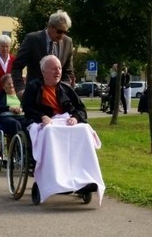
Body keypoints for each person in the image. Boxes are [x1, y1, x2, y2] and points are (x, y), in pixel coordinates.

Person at [22, 55, 104, 204]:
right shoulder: (34, 87)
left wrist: (76, 118)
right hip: (44, 123)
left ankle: (86, 178)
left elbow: (81, 109)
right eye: (53, 68)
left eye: (59, 68)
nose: (58, 71)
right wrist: (42, 117)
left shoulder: (66, 88)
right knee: (49, 132)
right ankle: (55, 178)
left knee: (84, 130)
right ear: (44, 71)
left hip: (66, 122)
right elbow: (27, 109)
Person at [12, 10, 75, 97]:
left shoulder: (68, 42)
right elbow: (16, 67)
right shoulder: (32, 39)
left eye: (65, 32)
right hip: (35, 95)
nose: (62, 35)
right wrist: (20, 89)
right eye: (60, 31)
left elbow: (68, 72)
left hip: (58, 97)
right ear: (50, 26)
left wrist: (63, 89)